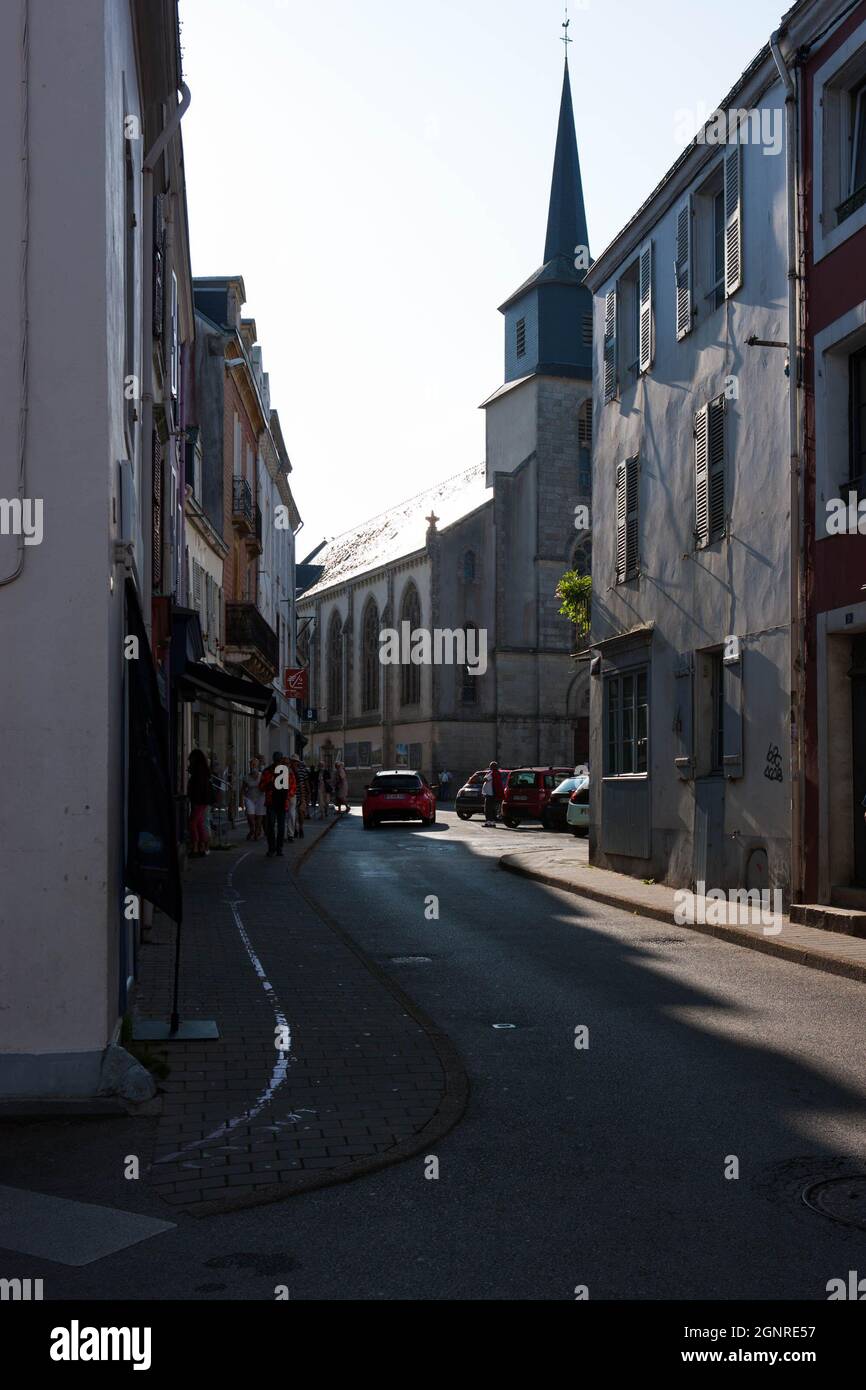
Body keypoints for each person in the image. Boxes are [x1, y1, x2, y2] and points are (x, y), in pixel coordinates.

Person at [260, 752, 296, 857]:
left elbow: (293, 786)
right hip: (271, 802)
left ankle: (279, 848)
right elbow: (261, 787)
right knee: (270, 826)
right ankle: (271, 848)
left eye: (279, 760)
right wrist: (268, 784)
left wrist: (288, 796)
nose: (278, 762)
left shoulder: (287, 772)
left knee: (281, 827)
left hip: (282, 802)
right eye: (276, 760)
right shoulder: (267, 771)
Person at [187, 748, 214, 857]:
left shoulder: (199, 773)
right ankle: (202, 845)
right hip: (202, 800)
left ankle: (196, 846)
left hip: (199, 800)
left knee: (193, 823)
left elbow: (197, 788)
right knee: (199, 823)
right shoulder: (203, 772)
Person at [241, 756, 265, 841]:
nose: (253, 766)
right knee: (250, 816)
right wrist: (241, 801)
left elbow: (265, 787)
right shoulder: (246, 777)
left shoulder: (261, 776)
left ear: (257, 766)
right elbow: (243, 789)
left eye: (254, 764)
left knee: (259, 817)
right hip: (249, 798)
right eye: (251, 764)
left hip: (260, 797)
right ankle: (252, 829)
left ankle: (257, 832)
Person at [291, 754, 310, 839]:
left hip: (301, 794)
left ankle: (301, 827)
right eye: (293, 761)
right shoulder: (289, 771)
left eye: (296, 761)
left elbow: (306, 783)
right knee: (293, 814)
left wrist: (308, 793)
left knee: (301, 812)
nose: (294, 763)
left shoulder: (302, 771)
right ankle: (295, 829)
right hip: (292, 794)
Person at [481, 760, 504, 827]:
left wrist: (486, 775)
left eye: (490, 766)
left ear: (492, 767)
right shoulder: (497, 773)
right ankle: (493, 822)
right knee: (493, 809)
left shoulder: (491, 773)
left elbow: (485, 779)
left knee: (487, 809)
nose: (489, 766)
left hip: (489, 794)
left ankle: (488, 822)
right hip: (494, 793)